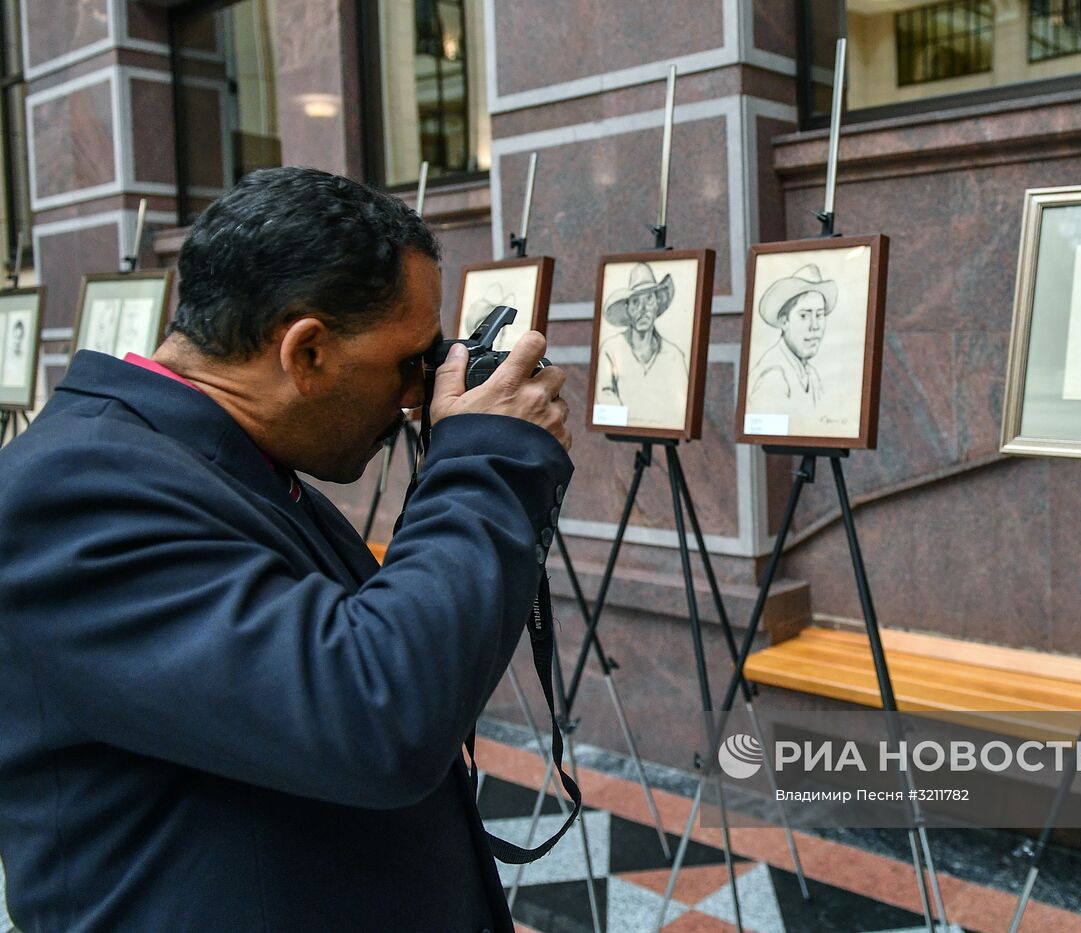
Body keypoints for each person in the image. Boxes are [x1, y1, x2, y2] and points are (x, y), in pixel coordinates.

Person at [0, 167, 572, 931]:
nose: (417, 394)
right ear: (305, 353)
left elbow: (366, 644)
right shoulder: (70, 493)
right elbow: (380, 710)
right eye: (411, 360)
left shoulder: (210, 458)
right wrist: (488, 460)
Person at [595, 261, 688, 426]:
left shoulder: (674, 356)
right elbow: (605, 395)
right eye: (636, 302)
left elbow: (681, 407)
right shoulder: (611, 349)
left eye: (649, 299)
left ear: (658, 303)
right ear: (627, 309)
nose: (643, 309)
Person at [747, 263, 836, 411]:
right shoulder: (773, 377)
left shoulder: (811, 375)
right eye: (804, 316)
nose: (815, 326)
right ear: (784, 321)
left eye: (819, 315)